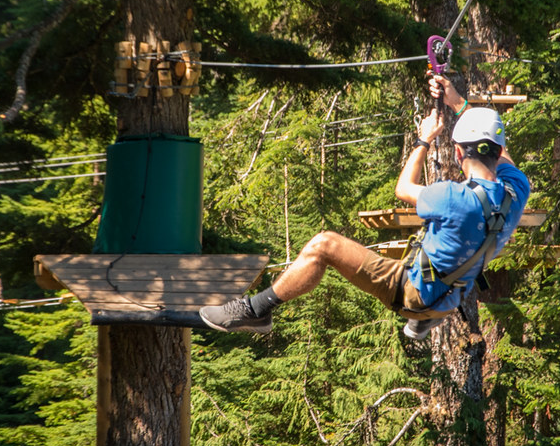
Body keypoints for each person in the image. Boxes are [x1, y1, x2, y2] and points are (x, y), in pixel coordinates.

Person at [199, 75, 531, 339]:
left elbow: (403, 189)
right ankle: (423, 321)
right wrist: (457, 101)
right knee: (450, 254)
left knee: (324, 245)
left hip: (412, 294)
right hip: (449, 300)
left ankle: (256, 311)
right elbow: (501, 156)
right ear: (498, 149)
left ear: (458, 153)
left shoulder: (452, 198)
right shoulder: (515, 192)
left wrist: (424, 139)